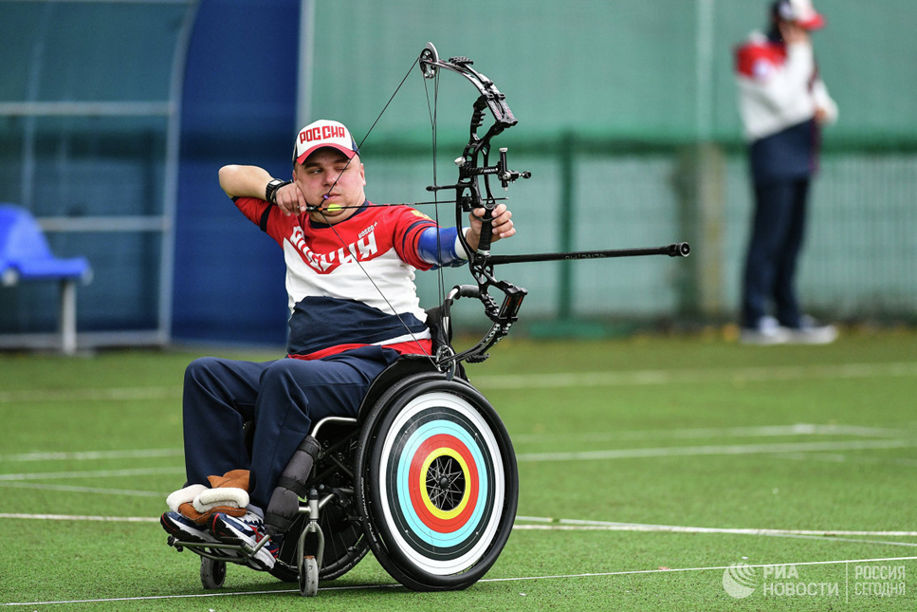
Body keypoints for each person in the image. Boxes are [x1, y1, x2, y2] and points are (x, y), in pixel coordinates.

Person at [159, 119, 515, 570]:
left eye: (340, 167)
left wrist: (472, 237)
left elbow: (434, 245)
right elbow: (228, 176)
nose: (330, 179)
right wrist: (273, 190)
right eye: (315, 171)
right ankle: (219, 501)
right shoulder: (290, 222)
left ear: (360, 172)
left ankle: (260, 521)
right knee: (206, 375)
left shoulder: (393, 220)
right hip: (308, 372)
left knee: (286, 377)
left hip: (381, 370)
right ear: (298, 181)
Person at [735, 0, 838, 345]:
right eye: (801, 26)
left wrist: (808, 98)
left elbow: (823, 106)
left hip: (802, 155)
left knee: (792, 241)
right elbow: (781, 99)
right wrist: (799, 59)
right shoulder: (755, 52)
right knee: (767, 239)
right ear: (783, 22)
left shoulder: (800, 57)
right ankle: (754, 317)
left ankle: (788, 314)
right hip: (772, 155)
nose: (805, 34)